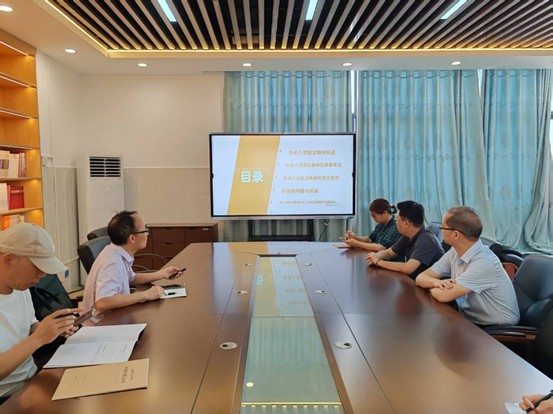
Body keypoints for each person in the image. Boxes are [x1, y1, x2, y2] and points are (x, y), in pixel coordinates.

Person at [0, 223, 78, 402]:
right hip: (6, 396)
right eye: (37, 267)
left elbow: (28, 326)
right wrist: (39, 337)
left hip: (32, 381)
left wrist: (51, 328)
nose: (42, 275)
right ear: (8, 260)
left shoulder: (20, 287)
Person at [415, 206, 519, 326]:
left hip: (496, 329)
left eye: (442, 228)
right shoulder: (454, 252)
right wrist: (436, 283)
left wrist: (431, 287)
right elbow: (420, 277)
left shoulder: (484, 262)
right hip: (469, 320)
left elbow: (443, 296)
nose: (440, 231)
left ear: (455, 234)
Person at [82, 211, 184, 313]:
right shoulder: (112, 262)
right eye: (145, 231)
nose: (147, 234)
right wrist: (145, 295)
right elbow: (103, 302)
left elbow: (130, 278)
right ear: (132, 238)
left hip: (117, 314)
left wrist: (161, 274)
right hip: (105, 321)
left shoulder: (118, 252)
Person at [366, 200, 444, 279]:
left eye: (397, 220)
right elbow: (389, 253)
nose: (396, 223)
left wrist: (378, 262)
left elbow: (408, 268)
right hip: (414, 280)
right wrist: (376, 256)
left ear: (406, 223)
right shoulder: (408, 235)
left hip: (430, 284)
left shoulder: (426, 240)